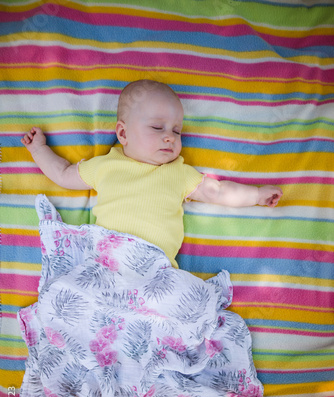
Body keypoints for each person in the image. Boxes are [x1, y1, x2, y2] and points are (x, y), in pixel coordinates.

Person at [21, 79, 282, 268]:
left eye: (177, 131)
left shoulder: (178, 172)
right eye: (157, 127)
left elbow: (219, 190)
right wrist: (39, 149)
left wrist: (257, 195)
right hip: (106, 263)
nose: (169, 137)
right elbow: (64, 174)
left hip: (156, 271)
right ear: (123, 134)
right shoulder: (105, 165)